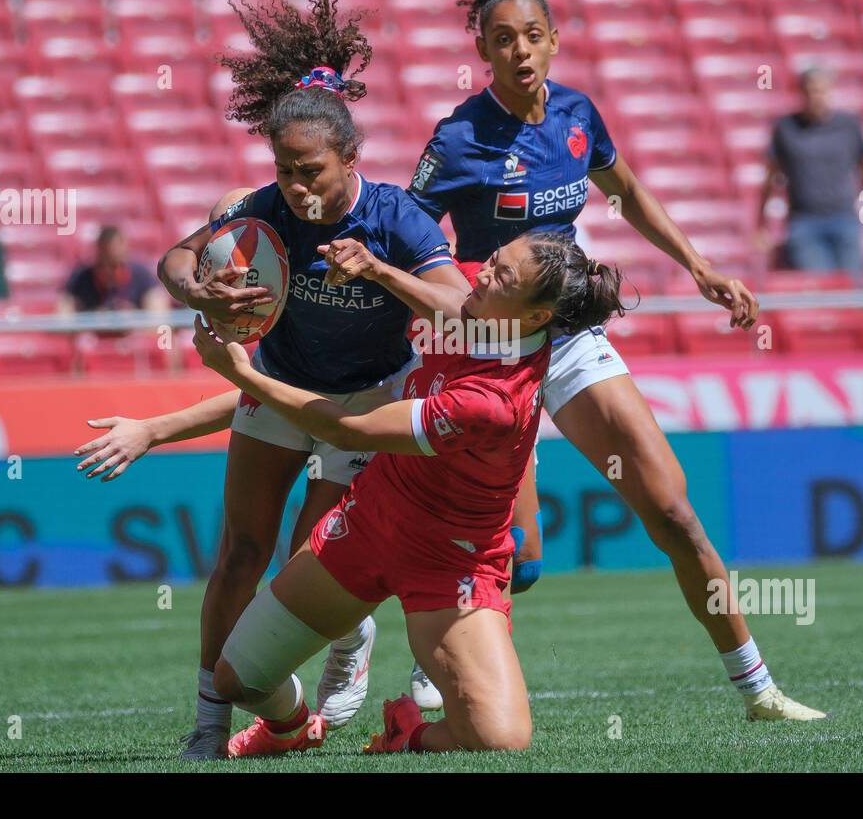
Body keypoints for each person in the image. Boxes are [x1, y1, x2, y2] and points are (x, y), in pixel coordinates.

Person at [399, 0, 824, 720]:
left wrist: (700, 268)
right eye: (502, 40)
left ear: (554, 39)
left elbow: (626, 192)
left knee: (671, 510)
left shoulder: (576, 115)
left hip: (568, 341)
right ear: (481, 49)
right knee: (517, 558)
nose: (521, 51)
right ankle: (427, 665)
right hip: (490, 351)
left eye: (533, 35)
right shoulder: (458, 139)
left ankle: (759, 689)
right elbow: (409, 233)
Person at [75, 0, 467, 759]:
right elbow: (174, 264)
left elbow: (458, 305)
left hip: (365, 407)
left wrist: (383, 273)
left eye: (310, 171)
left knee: (302, 568)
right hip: (277, 393)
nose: (295, 186)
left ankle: (350, 635)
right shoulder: (261, 212)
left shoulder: (397, 218)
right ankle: (211, 723)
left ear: (350, 156)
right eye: (284, 169)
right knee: (239, 556)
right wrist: (205, 289)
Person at [192, 230, 626, 756]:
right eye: (493, 259)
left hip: (454, 562)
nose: (482, 274)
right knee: (237, 681)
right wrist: (371, 267)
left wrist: (240, 373)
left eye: (501, 275)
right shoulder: (483, 300)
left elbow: (350, 430)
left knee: (500, 739)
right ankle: (292, 726)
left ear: (535, 318)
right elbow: (430, 281)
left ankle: (407, 733)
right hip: (372, 521)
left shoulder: (492, 400)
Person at [756, 65, 863, 279]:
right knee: (819, 289)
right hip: (804, 223)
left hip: (844, 219)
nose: (816, 96)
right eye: (811, 90)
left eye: (821, 90)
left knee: (855, 288)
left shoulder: (848, 125)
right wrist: (761, 224)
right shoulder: (786, 128)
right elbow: (771, 179)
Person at [59, 225, 168, 314]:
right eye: (106, 263)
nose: (111, 271)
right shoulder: (80, 278)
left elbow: (159, 320)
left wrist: (133, 320)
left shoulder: (142, 276)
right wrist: (93, 320)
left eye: (116, 264)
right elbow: (63, 319)